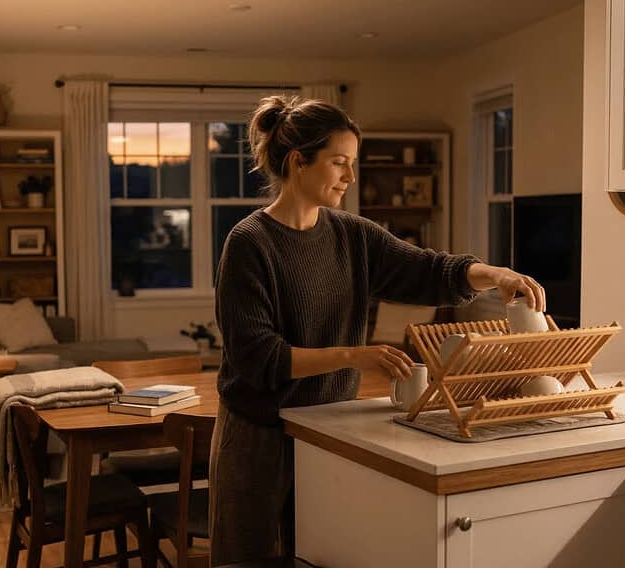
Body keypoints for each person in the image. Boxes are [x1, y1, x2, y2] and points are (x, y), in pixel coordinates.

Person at [210, 95, 546, 564]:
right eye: (339, 163)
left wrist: (494, 274)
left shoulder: (354, 235)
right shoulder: (249, 244)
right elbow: (259, 358)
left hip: (329, 431)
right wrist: (354, 355)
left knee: (323, 554)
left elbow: (429, 270)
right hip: (258, 439)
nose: (350, 177)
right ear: (298, 162)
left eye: (353, 163)